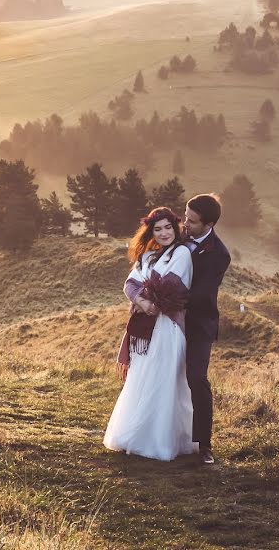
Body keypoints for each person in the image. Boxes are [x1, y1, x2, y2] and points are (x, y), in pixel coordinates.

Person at [104, 207, 197, 462]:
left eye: (168, 227)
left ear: (176, 228)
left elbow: (170, 286)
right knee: (141, 377)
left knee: (164, 380)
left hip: (168, 327)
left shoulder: (182, 253)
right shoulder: (147, 256)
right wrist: (144, 303)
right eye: (158, 229)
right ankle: (134, 435)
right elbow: (129, 284)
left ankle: (160, 442)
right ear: (151, 232)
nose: (164, 233)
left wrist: (143, 294)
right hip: (145, 327)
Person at [182, 194, 231, 465]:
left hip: (198, 324)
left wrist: (166, 299)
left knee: (196, 378)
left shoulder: (219, 255)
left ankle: (204, 444)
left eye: (191, 221)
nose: (185, 223)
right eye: (185, 215)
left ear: (209, 224)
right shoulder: (178, 235)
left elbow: (201, 294)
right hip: (168, 321)